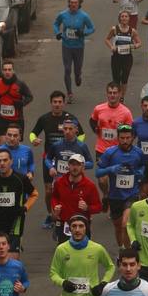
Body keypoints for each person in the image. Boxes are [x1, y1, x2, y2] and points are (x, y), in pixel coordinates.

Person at [30, 91, 85, 229]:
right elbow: (33, 133)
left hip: (68, 160)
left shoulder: (71, 118)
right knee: (49, 190)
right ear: (51, 103)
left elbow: (82, 135)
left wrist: (75, 147)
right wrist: (34, 140)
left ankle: (69, 214)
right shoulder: (44, 119)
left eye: (60, 102)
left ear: (64, 103)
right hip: (49, 159)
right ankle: (51, 214)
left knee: (69, 188)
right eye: (55, 102)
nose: (57, 105)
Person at [0, 147, 38, 257]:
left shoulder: (21, 178)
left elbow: (34, 194)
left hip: (15, 220)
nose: (2, 163)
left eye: (5, 160)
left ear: (11, 161)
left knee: (12, 257)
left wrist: (25, 207)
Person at [96, 123, 145, 247]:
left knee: (125, 224)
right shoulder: (110, 153)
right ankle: (121, 249)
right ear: (118, 138)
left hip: (132, 194)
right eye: (122, 138)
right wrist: (111, 169)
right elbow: (98, 172)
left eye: (128, 138)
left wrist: (140, 172)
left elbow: (143, 166)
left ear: (132, 137)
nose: (125, 141)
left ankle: (127, 253)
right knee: (118, 227)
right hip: (115, 196)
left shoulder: (138, 152)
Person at [50, 152, 102, 242]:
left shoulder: (90, 186)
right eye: (72, 164)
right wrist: (55, 206)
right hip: (64, 223)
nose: (75, 167)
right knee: (65, 251)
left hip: (82, 225)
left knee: (82, 252)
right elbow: (54, 197)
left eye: (78, 165)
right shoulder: (59, 182)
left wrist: (87, 208)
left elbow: (98, 207)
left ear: (83, 167)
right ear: (68, 166)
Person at [52, 0, 95, 102]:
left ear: (79, 3)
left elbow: (92, 28)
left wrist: (83, 33)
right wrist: (58, 33)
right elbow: (55, 24)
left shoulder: (84, 16)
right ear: (68, 3)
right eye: (71, 2)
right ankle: (69, 93)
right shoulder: (63, 14)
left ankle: (78, 76)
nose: (73, 4)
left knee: (77, 69)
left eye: (75, 2)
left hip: (79, 47)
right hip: (66, 46)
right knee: (67, 69)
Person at [0, 61, 33, 139]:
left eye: (9, 69)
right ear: (2, 71)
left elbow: (29, 96)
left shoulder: (20, 84)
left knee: (14, 143)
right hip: (2, 118)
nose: (7, 72)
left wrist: (22, 103)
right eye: (5, 70)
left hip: (17, 119)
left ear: (13, 71)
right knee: (2, 143)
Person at [105, 10, 142, 100]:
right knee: (116, 78)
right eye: (122, 16)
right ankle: (116, 96)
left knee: (124, 78)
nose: (124, 18)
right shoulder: (114, 29)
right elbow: (106, 39)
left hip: (127, 57)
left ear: (129, 19)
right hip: (116, 56)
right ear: (119, 18)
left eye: (126, 16)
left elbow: (139, 42)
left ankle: (122, 97)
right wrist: (111, 47)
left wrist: (135, 46)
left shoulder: (132, 31)